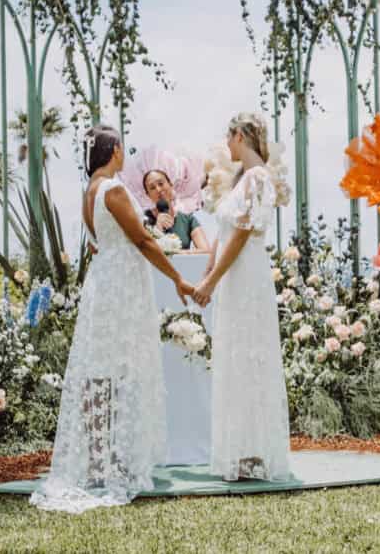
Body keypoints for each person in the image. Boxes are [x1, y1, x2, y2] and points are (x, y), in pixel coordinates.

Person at [30, 125, 196, 513]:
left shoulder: (89, 194)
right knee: (122, 369)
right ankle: (118, 458)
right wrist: (177, 278)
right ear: (115, 150)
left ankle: (98, 456)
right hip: (121, 285)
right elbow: (141, 240)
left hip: (102, 283)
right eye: (122, 147)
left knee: (99, 370)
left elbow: (98, 243)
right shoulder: (114, 190)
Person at [193, 113, 291, 482]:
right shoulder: (240, 181)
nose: (226, 145)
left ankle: (254, 452)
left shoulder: (259, 178)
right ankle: (240, 450)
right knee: (234, 358)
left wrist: (212, 281)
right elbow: (225, 229)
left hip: (245, 276)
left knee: (250, 357)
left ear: (238, 135)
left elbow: (243, 234)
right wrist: (208, 269)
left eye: (228, 137)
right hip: (232, 276)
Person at [143, 169, 209, 251]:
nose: (158, 190)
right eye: (152, 188)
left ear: (170, 184)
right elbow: (144, 253)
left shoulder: (188, 219)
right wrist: (157, 229)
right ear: (148, 195)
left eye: (161, 184)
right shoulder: (143, 220)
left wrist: (179, 254)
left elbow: (206, 251)